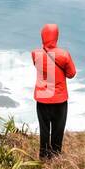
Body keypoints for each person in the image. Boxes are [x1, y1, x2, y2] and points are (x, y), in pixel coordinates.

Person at [31, 23, 76, 159]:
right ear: (56, 36)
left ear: (43, 36)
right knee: (58, 129)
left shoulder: (35, 54)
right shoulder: (64, 55)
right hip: (59, 99)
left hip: (42, 99)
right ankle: (56, 157)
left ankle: (44, 156)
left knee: (44, 129)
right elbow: (71, 73)